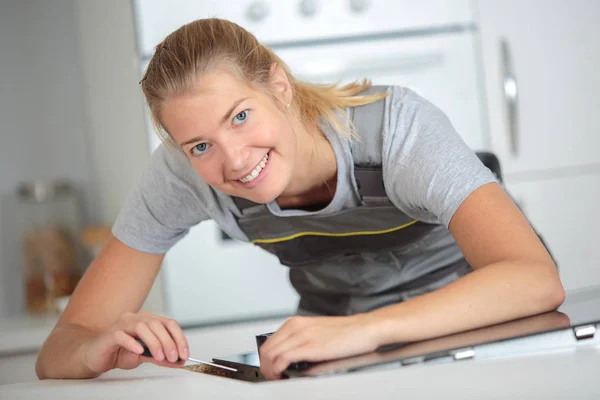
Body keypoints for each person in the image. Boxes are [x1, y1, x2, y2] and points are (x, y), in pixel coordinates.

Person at [35, 18, 564, 381]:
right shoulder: (182, 174)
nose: (235, 160)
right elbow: (58, 350)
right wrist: (93, 346)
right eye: (200, 145)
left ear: (279, 86)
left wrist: (364, 331)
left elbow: (533, 278)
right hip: (335, 356)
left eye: (240, 116)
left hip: (478, 333)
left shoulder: (396, 129)